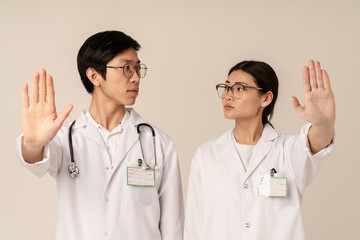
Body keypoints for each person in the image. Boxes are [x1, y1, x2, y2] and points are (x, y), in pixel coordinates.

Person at [16, 30, 184, 240]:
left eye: (138, 68)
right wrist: (33, 142)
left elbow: (173, 228)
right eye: (126, 68)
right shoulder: (67, 138)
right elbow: (35, 159)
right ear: (94, 75)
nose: (136, 77)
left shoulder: (159, 143)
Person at [184, 60, 335, 240]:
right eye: (226, 87)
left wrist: (324, 122)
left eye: (239, 88)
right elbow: (193, 225)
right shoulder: (207, 155)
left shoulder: (287, 150)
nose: (227, 96)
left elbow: (317, 141)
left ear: (266, 98)